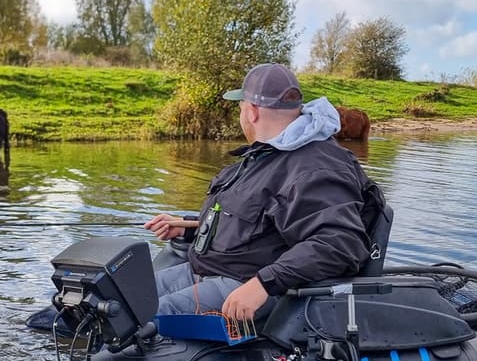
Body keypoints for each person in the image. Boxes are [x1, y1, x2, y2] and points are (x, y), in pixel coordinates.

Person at [144, 62, 373, 325]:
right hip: (202, 270)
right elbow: (256, 227)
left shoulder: (314, 166)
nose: (241, 116)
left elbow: (340, 241)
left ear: (251, 112)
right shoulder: (267, 155)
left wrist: (262, 285)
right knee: (125, 299)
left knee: (141, 321)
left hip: (242, 285)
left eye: (241, 108)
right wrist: (189, 229)